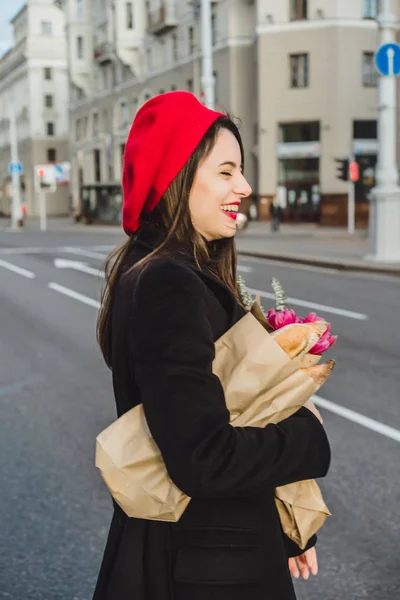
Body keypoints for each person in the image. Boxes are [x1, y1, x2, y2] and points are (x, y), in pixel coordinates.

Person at [93, 91, 331, 600]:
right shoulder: (167, 283)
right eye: (226, 171)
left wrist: (285, 524)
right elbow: (203, 457)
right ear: (178, 177)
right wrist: (308, 437)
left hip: (210, 551)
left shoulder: (173, 271)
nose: (244, 186)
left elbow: (225, 413)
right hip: (205, 567)